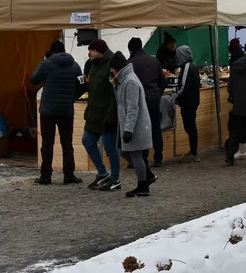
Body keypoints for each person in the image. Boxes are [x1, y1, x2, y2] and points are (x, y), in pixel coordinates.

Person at [29, 40, 83, 186]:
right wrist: (72, 97)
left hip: (48, 110)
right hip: (66, 110)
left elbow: (33, 80)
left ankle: (46, 176)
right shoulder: (75, 65)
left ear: (51, 52)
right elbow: (83, 85)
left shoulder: (46, 64)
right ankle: (69, 175)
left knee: (47, 143)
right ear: (65, 50)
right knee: (67, 143)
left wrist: (43, 62)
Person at [110, 51, 155, 198]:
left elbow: (132, 107)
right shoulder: (124, 79)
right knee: (124, 151)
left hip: (135, 125)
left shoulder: (130, 82)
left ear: (116, 68)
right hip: (129, 124)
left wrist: (128, 129)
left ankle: (143, 185)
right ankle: (147, 175)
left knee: (135, 154)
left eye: (112, 68)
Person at [81, 39, 120, 191]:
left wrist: (111, 114)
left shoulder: (111, 65)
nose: (89, 53)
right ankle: (103, 173)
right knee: (87, 140)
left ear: (99, 51)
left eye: (91, 50)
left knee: (110, 148)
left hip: (107, 113)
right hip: (93, 112)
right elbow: (90, 85)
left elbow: (114, 92)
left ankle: (116, 179)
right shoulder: (92, 64)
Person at [127, 37, 167, 170]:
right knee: (156, 129)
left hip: (139, 101)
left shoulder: (129, 64)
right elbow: (163, 81)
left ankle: (142, 159)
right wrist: (158, 93)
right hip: (154, 99)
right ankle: (158, 158)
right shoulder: (153, 60)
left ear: (130, 49)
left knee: (140, 131)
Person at [172, 45, 201, 162]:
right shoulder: (193, 66)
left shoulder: (187, 67)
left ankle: (193, 152)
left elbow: (183, 86)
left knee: (189, 127)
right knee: (191, 126)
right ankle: (193, 151)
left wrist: (175, 96)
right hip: (193, 101)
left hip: (188, 102)